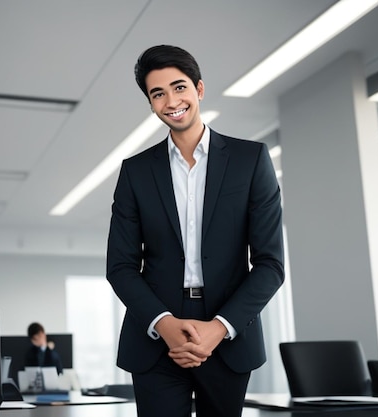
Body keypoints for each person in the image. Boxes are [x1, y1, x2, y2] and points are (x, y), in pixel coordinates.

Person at [106, 45, 285, 417]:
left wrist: (220, 328)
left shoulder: (250, 161)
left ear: (199, 90)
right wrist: (165, 324)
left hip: (228, 331)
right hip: (156, 336)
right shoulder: (136, 172)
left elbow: (270, 264)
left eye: (179, 87)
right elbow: (120, 266)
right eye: (158, 93)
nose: (172, 100)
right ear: (151, 103)